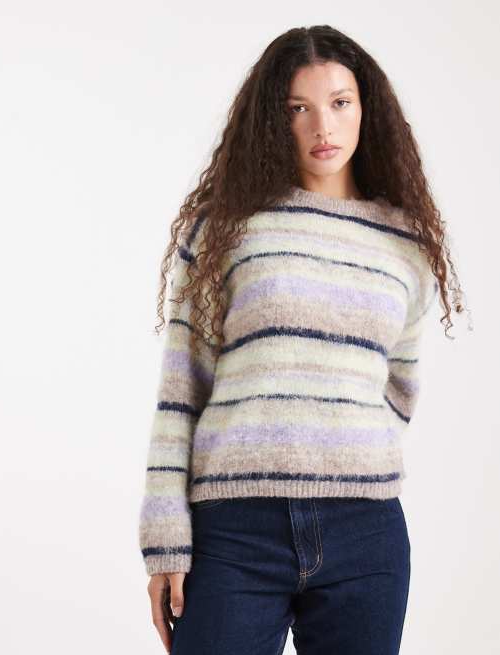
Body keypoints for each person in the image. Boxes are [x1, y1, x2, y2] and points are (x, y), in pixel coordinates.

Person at [138, 24, 469, 655]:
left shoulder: (405, 243)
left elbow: (399, 388)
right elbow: (182, 392)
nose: (323, 126)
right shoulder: (225, 229)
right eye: (298, 108)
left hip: (365, 532)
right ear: (273, 118)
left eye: (340, 102)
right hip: (235, 530)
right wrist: (164, 540)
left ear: (367, 109)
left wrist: (338, 438)